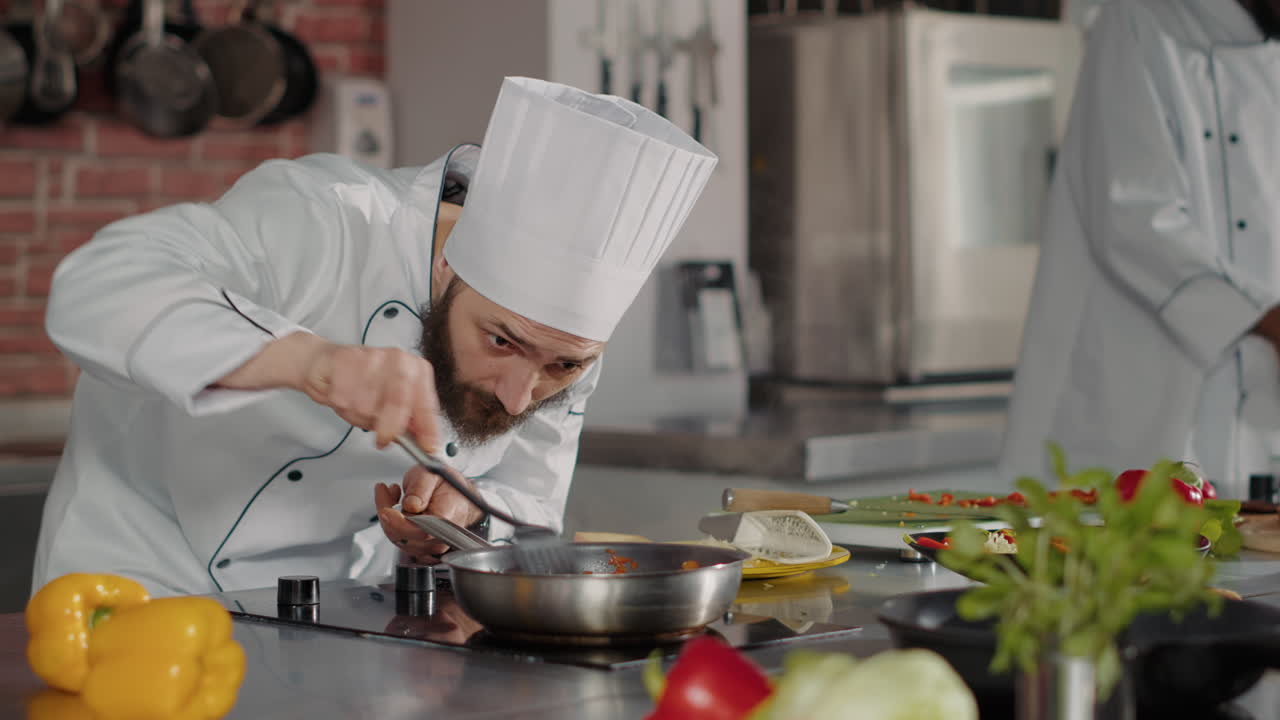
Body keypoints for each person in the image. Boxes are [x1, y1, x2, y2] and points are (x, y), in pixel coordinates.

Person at [32, 77, 717, 596]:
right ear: (447, 265)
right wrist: (310, 361)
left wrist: (462, 527)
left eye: (564, 367)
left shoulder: (562, 343)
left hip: (326, 619)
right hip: (135, 583)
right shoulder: (322, 220)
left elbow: (530, 500)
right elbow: (96, 284)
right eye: (502, 342)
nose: (519, 399)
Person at [999, 0, 1280, 497]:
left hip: (1252, 423)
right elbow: (1133, 214)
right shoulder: (1137, 22)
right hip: (1130, 417)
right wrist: (1261, 316)